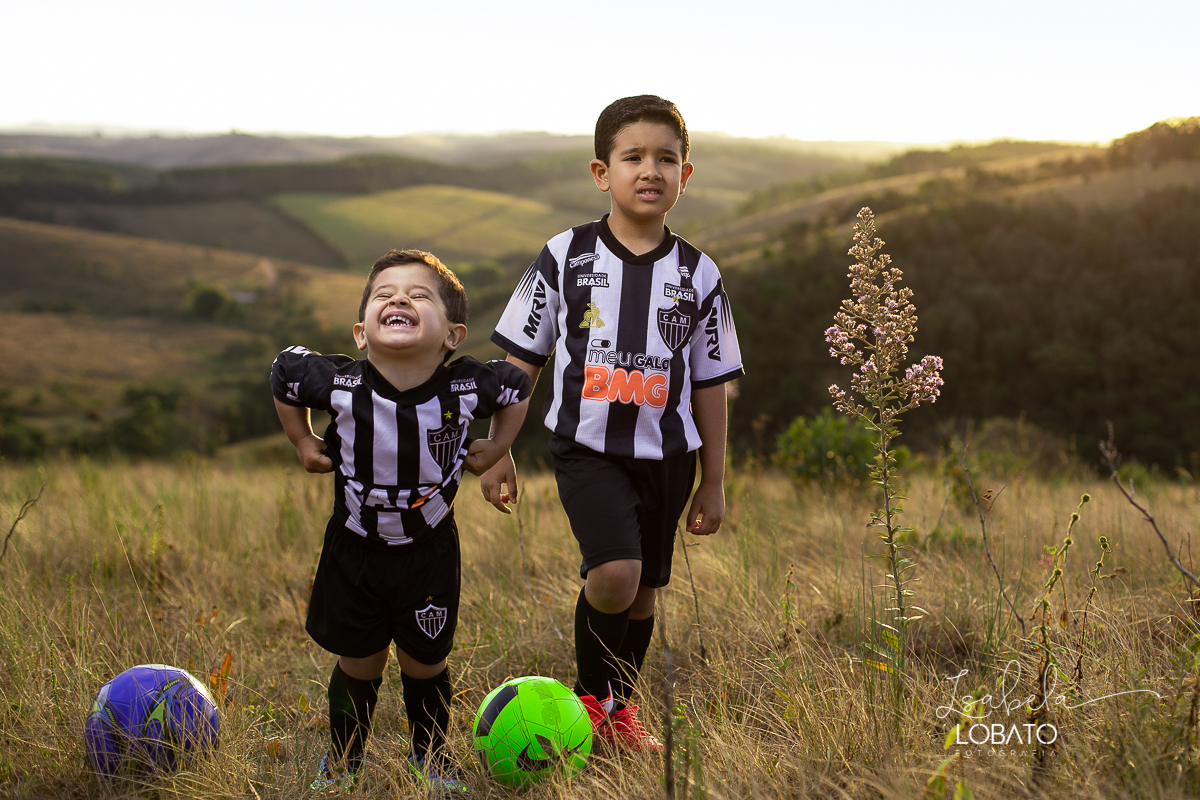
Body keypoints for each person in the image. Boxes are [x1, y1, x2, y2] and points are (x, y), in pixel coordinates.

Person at [481, 95, 744, 752]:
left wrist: (713, 480)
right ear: (603, 172)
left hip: (669, 457)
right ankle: (588, 704)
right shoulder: (564, 256)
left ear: (686, 175)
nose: (650, 170)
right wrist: (500, 446)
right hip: (586, 447)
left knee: (646, 589)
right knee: (616, 576)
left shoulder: (699, 274)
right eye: (634, 157)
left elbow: (712, 385)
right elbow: (522, 358)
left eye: (667, 158)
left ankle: (619, 714)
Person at [271, 249, 531, 792]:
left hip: (428, 551)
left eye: (419, 295)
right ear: (361, 331)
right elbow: (284, 373)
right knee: (359, 663)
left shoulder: (465, 386)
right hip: (355, 547)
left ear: (452, 335)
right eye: (384, 294)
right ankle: (344, 762)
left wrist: (500, 445)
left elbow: (517, 386)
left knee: (424, 663)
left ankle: (431, 760)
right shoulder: (339, 384)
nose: (398, 299)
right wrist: (302, 439)